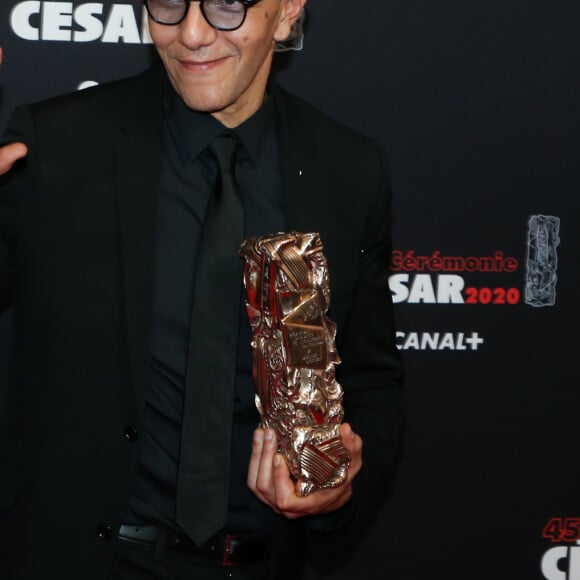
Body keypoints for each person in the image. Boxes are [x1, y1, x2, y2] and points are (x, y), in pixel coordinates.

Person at [0, 0, 404, 578]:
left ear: (287, 12)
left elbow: (369, 379)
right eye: (168, 5)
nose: (191, 34)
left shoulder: (348, 169)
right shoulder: (58, 143)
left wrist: (337, 483)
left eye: (226, 6)